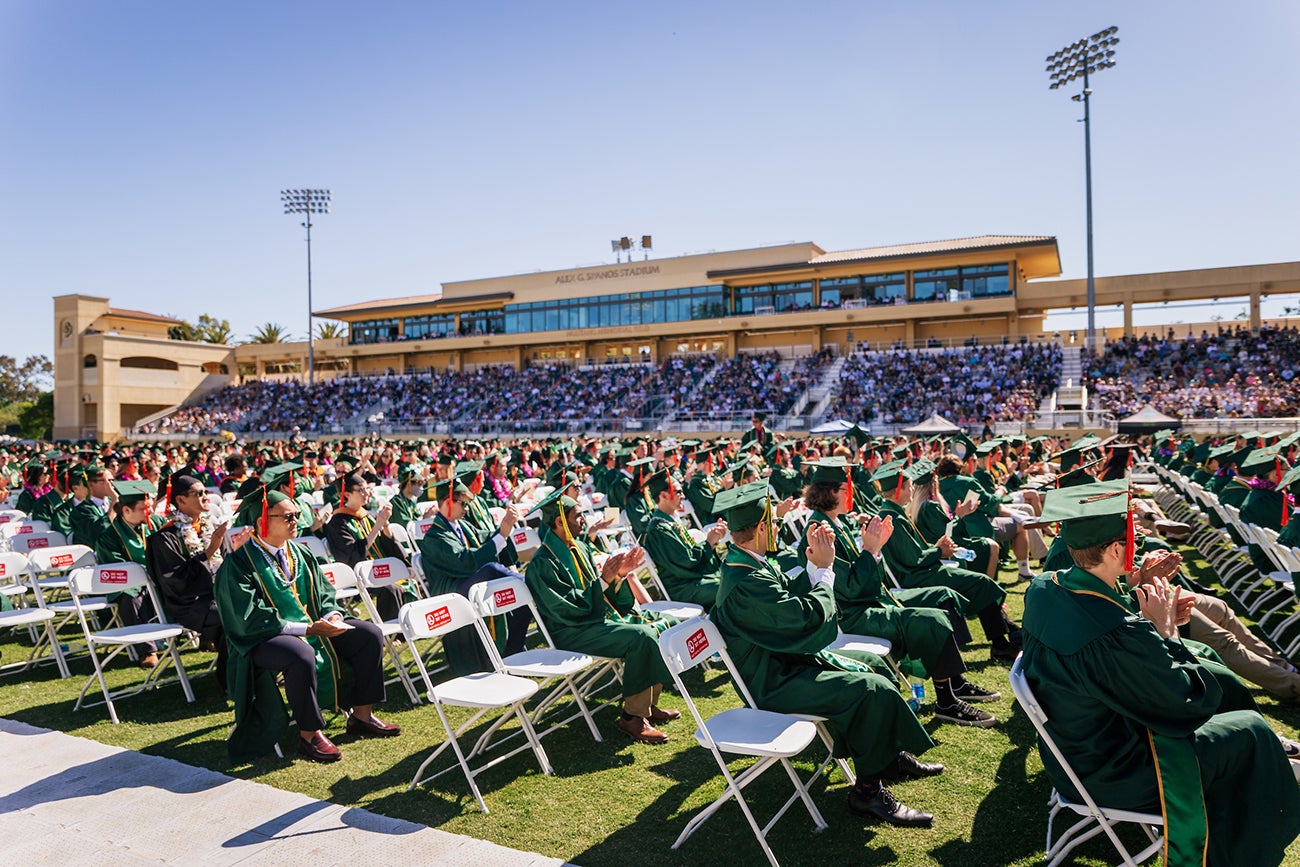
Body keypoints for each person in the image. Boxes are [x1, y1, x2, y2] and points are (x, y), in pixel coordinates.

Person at [1021, 481, 1300, 867]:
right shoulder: (1117, 633)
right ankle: (1238, 847)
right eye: (1131, 537)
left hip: (1074, 747)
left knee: (1212, 667)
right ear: (1117, 548)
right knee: (1250, 731)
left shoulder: (1043, 588)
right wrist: (1166, 631)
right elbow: (1183, 702)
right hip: (1115, 767)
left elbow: (1102, 632)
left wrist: (1140, 597)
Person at [708, 483, 940, 827]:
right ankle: (867, 793)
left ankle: (885, 756)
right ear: (761, 528)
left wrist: (813, 568)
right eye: (771, 522)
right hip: (772, 681)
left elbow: (785, 604)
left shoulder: (749, 563)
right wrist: (825, 573)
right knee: (870, 689)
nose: (775, 527)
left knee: (875, 665)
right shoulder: (744, 579)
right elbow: (803, 618)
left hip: (784, 662)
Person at [797, 458, 998, 727]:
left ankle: (954, 687)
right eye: (847, 489)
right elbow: (851, 589)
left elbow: (867, 581)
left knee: (939, 607)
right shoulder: (819, 532)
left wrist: (875, 549)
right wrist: (871, 550)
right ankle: (947, 701)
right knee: (932, 619)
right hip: (850, 615)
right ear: (832, 492)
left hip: (867, 601)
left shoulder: (835, 523)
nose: (852, 494)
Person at [213, 486, 400, 763]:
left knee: (368, 634)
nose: (296, 522)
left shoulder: (300, 554)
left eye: (297, 515)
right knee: (300, 653)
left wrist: (333, 615)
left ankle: (361, 716)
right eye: (288, 517)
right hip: (259, 639)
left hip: (313, 628)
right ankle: (309, 734)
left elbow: (325, 594)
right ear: (263, 521)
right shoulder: (238, 564)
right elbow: (249, 617)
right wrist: (307, 630)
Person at [524, 489, 679, 744]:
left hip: (595, 620)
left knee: (663, 623)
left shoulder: (581, 547)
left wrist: (619, 576)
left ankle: (649, 706)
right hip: (572, 631)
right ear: (560, 521)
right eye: (578, 516)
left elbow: (603, 591)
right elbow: (567, 609)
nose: (583, 520)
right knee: (642, 637)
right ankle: (632, 718)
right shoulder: (542, 564)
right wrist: (605, 580)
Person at [875, 461, 1021, 661]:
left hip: (920, 571)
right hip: (916, 577)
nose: (911, 490)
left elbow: (913, 552)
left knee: (979, 583)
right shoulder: (892, 517)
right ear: (898, 489)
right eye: (908, 486)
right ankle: (1002, 642)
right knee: (981, 582)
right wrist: (938, 550)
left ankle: (1005, 637)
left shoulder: (893, 512)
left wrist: (935, 547)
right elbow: (913, 559)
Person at [417, 476, 530, 675]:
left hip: (468, 583)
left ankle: (512, 651)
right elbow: (466, 562)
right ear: (447, 501)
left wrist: (505, 526)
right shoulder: (434, 537)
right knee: (493, 570)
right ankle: (530, 586)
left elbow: (485, 538)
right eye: (463, 503)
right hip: (451, 592)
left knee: (518, 600)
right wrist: (502, 535)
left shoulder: (461, 525)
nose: (467, 508)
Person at [145, 474, 242, 689]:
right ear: (180, 501)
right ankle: (232, 681)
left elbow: (227, 565)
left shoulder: (212, 529)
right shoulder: (165, 538)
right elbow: (176, 581)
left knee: (252, 606)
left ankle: (252, 673)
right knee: (235, 614)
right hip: (190, 603)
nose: (206, 497)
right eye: (199, 494)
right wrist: (208, 552)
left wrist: (237, 552)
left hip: (220, 594)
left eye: (206, 492)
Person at [95, 480, 167, 668]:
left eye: (150, 507)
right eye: (144, 509)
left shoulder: (157, 522)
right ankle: (147, 650)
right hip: (130, 583)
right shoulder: (108, 536)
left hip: (159, 576)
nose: (150, 512)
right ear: (126, 511)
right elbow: (117, 568)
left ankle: (203, 635)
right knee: (131, 597)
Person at [324, 472, 412, 621]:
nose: (367, 493)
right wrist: (377, 525)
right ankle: (393, 634)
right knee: (390, 589)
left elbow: (388, 545)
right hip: (361, 573)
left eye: (367, 488)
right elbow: (351, 555)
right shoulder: (337, 523)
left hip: (382, 568)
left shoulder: (367, 516)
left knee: (413, 582)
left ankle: (410, 624)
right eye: (361, 490)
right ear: (347, 494)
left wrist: (385, 525)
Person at [640, 470, 726, 609]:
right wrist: (708, 543)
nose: (683, 495)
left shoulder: (671, 521)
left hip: (691, 579)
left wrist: (713, 541)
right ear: (663, 495)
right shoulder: (659, 529)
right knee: (729, 585)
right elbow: (686, 561)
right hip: (681, 586)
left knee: (732, 576)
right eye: (678, 492)